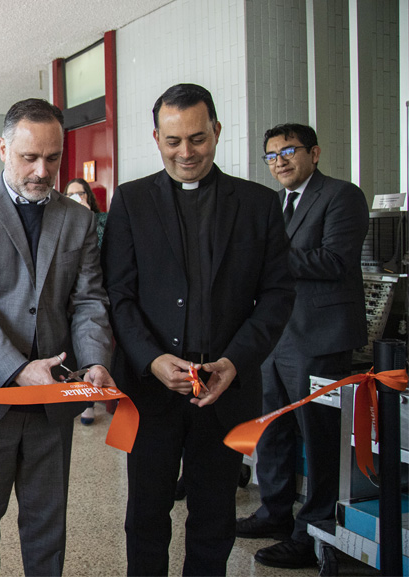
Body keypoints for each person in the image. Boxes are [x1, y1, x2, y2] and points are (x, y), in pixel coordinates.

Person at [101, 83, 295, 576]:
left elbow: (276, 295)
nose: (185, 152)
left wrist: (235, 361)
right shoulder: (130, 201)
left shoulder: (257, 204)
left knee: (214, 515)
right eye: (172, 141)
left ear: (217, 132)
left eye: (197, 139)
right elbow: (118, 295)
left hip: (226, 389)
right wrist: (149, 357)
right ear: (156, 137)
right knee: (145, 512)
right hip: (150, 392)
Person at [0, 98, 115, 576]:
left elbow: (88, 301)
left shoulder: (77, 219)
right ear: (2, 148)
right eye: (28, 157)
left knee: (47, 524)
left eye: (53, 158)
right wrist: (18, 369)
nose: (42, 170)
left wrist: (96, 360)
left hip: (54, 398)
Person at [236, 123, 369, 569]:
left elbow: (335, 260)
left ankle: (311, 531)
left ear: (314, 152)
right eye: (271, 155)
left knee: (320, 437)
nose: (280, 162)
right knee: (271, 428)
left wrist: (267, 260)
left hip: (321, 338)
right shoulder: (274, 204)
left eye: (289, 151)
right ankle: (275, 512)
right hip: (275, 337)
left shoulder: (341, 195)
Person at [63, 177, 108, 426]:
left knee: (90, 345)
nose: (75, 198)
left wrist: (87, 217)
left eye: (80, 194)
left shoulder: (100, 221)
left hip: (93, 295)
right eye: (69, 194)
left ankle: (89, 400)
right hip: (66, 301)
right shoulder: (63, 222)